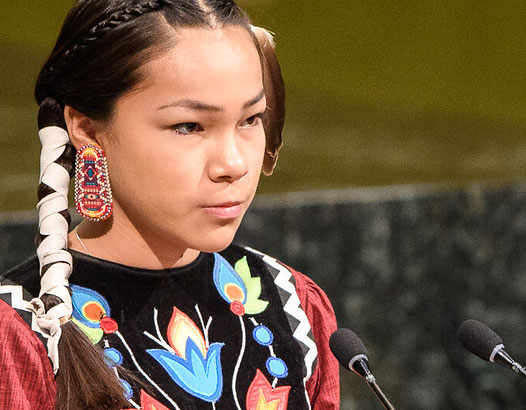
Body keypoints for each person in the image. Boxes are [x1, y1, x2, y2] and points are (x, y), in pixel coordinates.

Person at [0, 1, 340, 409]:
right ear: (87, 130)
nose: (233, 164)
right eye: (188, 126)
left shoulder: (294, 306)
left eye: (250, 119)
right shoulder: (18, 337)